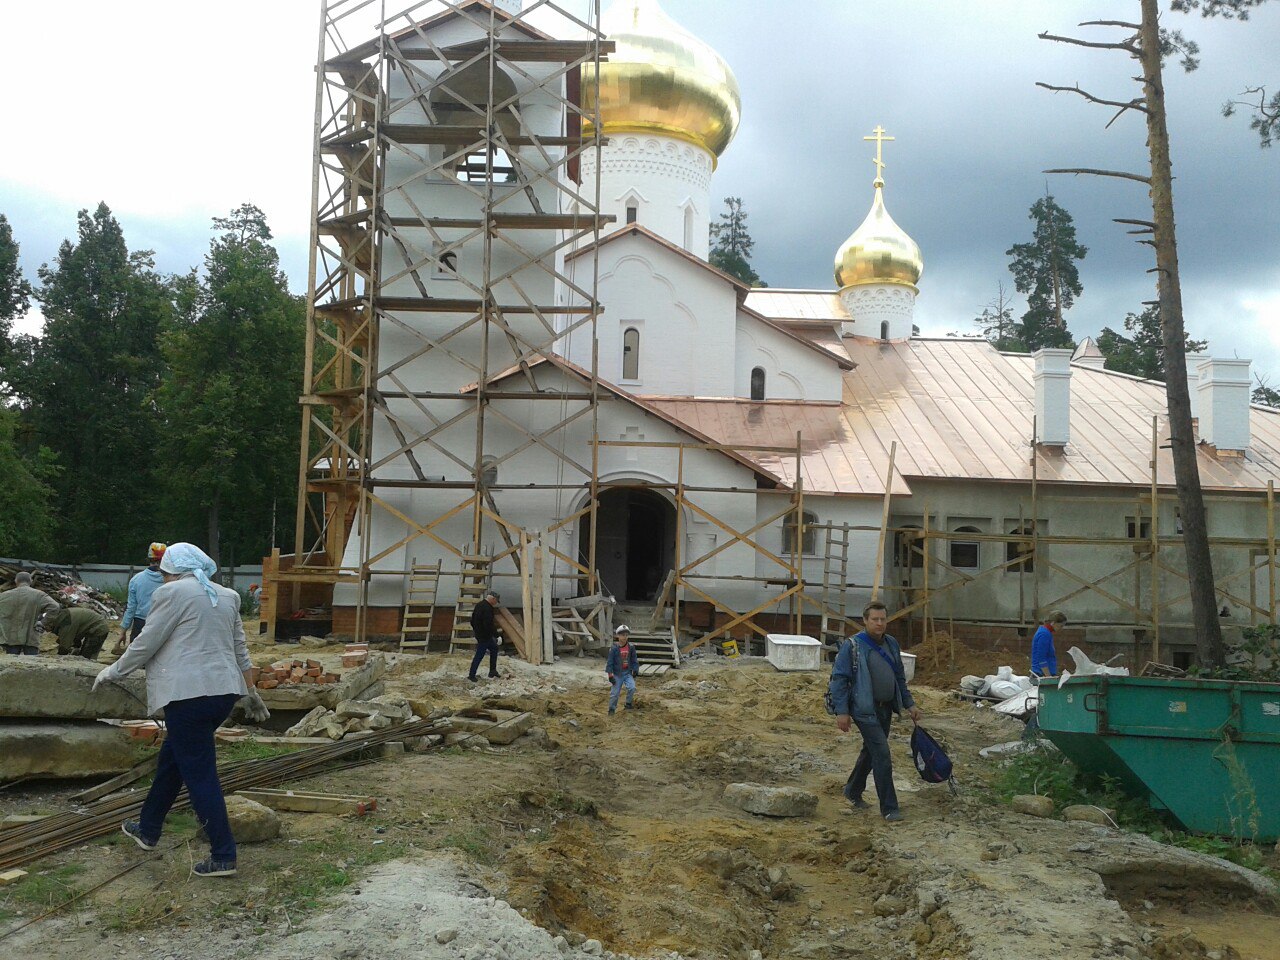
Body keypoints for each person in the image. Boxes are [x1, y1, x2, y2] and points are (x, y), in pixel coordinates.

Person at [91, 543, 270, 878]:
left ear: (171, 570)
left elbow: (146, 642)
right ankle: (148, 829)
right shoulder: (228, 595)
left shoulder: (172, 593)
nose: (161, 577)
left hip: (188, 697)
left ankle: (222, 855)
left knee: (200, 774)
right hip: (221, 694)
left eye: (163, 571)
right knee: (173, 760)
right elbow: (239, 649)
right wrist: (250, 690)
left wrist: (113, 670)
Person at [828, 601, 921, 823]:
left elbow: (899, 677)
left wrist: (909, 704)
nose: (879, 623)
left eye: (883, 619)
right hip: (863, 709)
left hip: (885, 708)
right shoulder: (853, 646)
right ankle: (889, 808)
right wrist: (842, 712)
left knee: (871, 752)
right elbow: (839, 680)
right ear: (865, 621)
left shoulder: (891, 643)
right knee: (882, 754)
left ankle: (852, 790)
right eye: (875, 619)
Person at [116, 542, 167, 654]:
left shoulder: (136, 580)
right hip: (163, 623)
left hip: (140, 624)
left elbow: (131, 608)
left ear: (149, 558)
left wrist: (123, 631)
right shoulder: (172, 580)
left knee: (136, 658)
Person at [0, 572, 59, 655]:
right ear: (30, 581)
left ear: (16, 581)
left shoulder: (4, 596)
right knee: (31, 664)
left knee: (12, 664)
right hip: (31, 637)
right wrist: (43, 622)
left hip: (11, 638)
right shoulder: (39, 595)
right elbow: (55, 607)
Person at [45, 606, 110, 661]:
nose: (47, 631)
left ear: (50, 623)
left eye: (46, 628)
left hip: (99, 629)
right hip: (94, 627)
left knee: (87, 658)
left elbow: (64, 647)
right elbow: (75, 635)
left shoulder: (65, 622)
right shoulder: (62, 617)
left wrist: (58, 660)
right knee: (83, 656)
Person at [468, 590, 503, 682]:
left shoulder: (479, 605)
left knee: (494, 648)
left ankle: (492, 671)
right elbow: (489, 624)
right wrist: (496, 635)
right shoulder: (488, 608)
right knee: (479, 655)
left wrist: (477, 631)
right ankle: (471, 675)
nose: (496, 603)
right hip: (485, 636)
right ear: (493, 598)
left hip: (481, 634)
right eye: (496, 601)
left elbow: (472, 621)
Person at [606, 624, 640, 715]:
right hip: (617, 673)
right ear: (618, 636)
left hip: (627, 672)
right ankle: (611, 709)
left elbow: (634, 660)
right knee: (615, 693)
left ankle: (628, 704)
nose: (624, 637)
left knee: (632, 688)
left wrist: (635, 669)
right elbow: (610, 662)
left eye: (626, 635)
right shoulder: (614, 649)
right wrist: (610, 675)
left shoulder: (631, 647)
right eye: (622, 635)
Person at [1031, 611, 1067, 677]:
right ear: (1053, 623)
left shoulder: (1047, 633)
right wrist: (1049, 677)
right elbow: (1041, 658)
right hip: (1041, 675)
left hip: (1045, 674)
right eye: (1060, 626)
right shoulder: (1044, 634)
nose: (1061, 628)